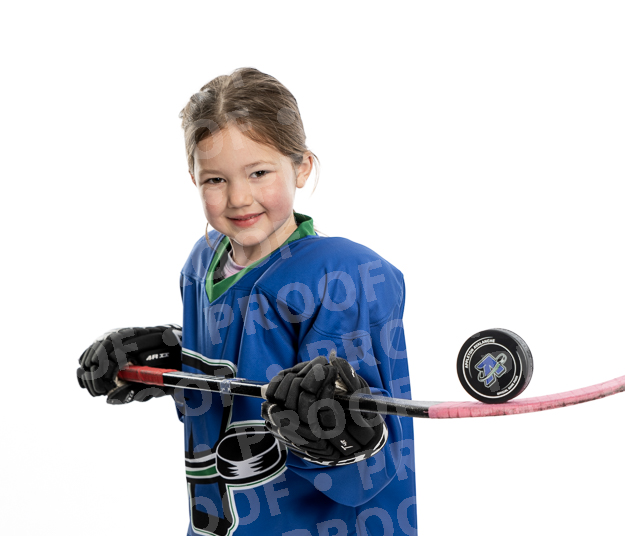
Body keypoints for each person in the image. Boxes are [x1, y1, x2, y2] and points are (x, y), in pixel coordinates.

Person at [77, 67, 417, 536]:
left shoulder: (342, 276)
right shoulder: (201, 264)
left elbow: (371, 471)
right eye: (215, 179)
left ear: (301, 166)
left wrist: (341, 429)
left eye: (259, 173)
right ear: (193, 177)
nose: (238, 198)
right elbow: (223, 402)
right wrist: (176, 362)